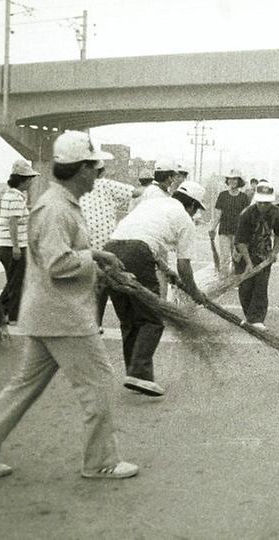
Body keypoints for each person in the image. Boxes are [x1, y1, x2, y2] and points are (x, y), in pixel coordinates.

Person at [0, 131, 139, 480]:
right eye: (95, 168)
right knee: (99, 381)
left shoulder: (57, 203)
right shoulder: (56, 208)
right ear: (81, 170)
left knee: (24, 385)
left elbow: (58, 256)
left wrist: (96, 255)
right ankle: (100, 461)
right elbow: (59, 265)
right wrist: (93, 259)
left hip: (46, 312)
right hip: (64, 316)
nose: (97, 175)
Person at [105, 180, 207, 397]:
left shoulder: (152, 204)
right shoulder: (184, 220)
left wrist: (165, 269)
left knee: (130, 319)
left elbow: (143, 237)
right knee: (152, 318)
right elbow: (184, 265)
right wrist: (195, 292)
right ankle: (140, 373)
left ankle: (134, 374)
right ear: (192, 205)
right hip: (138, 252)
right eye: (196, 208)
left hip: (110, 250)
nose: (194, 213)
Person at [80, 164, 137, 328]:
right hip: (107, 247)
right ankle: (100, 324)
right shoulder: (105, 184)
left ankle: (91, 325)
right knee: (107, 286)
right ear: (102, 172)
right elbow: (134, 192)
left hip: (85, 246)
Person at [233, 180, 279, 331]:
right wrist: (248, 262)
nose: (263, 205)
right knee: (246, 287)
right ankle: (250, 316)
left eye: (266, 203)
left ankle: (256, 318)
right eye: (260, 202)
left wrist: (274, 252)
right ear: (256, 200)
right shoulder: (246, 214)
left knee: (261, 286)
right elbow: (241, 241)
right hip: (243, 253)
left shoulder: (276, 213)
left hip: (264, 253)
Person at [0, 160, 39, 326]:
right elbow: (12, 223)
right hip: (12, 246)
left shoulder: (12, 195)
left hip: (7, 245)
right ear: (22, 179)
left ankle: (0, 310)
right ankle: (12, 316)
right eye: (29, 179)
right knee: (17, 282)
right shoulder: (15, 197)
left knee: (14, 280)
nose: (31, 182)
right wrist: (16, 246)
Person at [209, 168, 250, 275]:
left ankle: (235, 282)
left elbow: (246, 217)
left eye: (235, 179)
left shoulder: (244, 197)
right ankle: (223, 280)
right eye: (230, 179)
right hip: (224, 231)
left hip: (238, 233)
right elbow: (218, 214)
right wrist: (212, 228)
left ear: (239, 181)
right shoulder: (223, 195)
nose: (232, 181)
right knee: (225, 258)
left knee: (236, 258)